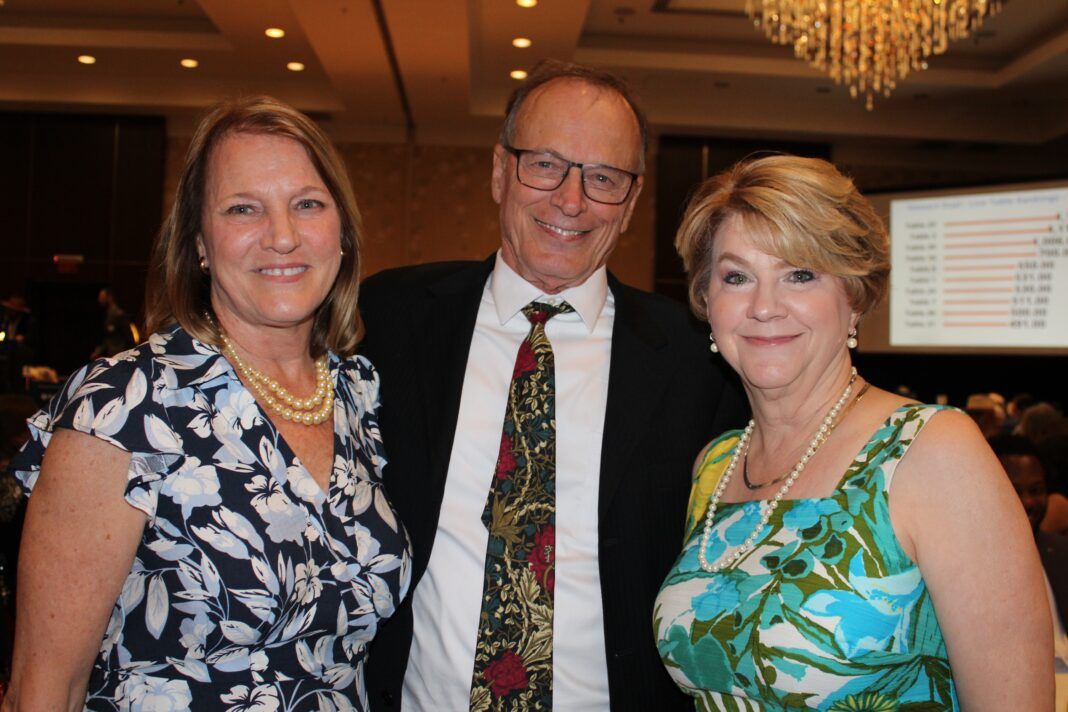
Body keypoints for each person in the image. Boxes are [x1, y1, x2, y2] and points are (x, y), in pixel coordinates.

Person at [359, 60, 744, 711]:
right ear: (499, 171)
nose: (571, 200)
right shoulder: (388, 318)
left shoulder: (697, 359)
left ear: (631, 200)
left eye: (603, 177)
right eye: (545, 164)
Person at [3, 96, 410, 710]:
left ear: (343, 234)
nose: (282, 236)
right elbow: (44, 688)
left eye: (307, 204)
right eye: (243, 208)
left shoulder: (361, 394)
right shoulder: (124, 408)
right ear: (198, 243)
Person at [656, 155, 1052, 709]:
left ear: (854, 297)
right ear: (706, 300)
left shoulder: (931, 450)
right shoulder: (715, 466)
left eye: (800, 274)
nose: (764, 306)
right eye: (736, 277)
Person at [989, 433, 1068, 664]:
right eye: (1015, 491)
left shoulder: (1062, 551)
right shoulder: (967, 564)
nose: (1028, 502)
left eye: (1036, 490)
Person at [90, 287, 138, 359]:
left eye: (102, 297)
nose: (100, 300)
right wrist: (98, 351)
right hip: (112, 354)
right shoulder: (108, 314)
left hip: (120, 354)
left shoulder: (118, 314)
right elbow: (109, 338)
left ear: (109, 297)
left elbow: (129, 336)